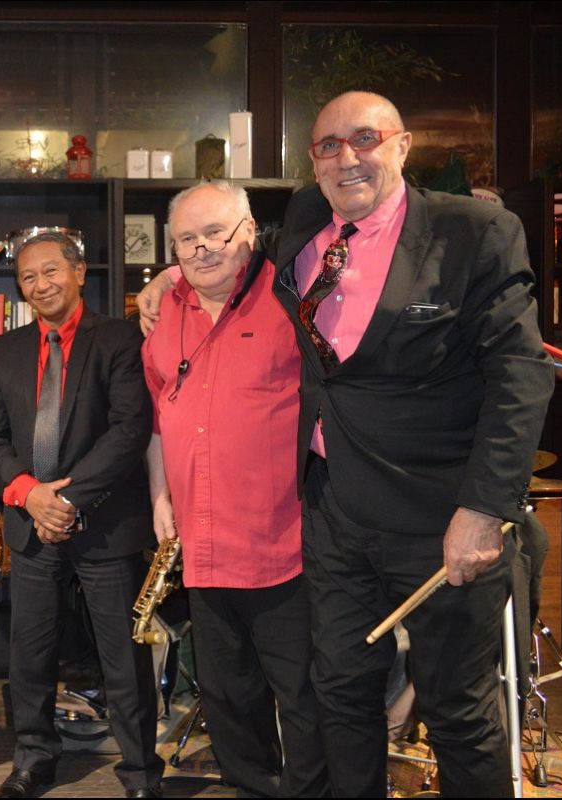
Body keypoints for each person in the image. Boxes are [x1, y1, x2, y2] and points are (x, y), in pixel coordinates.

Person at [142, 91, 552, 796]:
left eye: (365, 138)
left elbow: (520, 374)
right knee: (339, 695)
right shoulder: (308, 220)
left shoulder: (474, 231)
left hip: (437, 515)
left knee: (457, 708)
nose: (347, 157)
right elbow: (227, 249)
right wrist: (170, 275)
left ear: (402, 145)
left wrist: (485, 508)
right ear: (314, 163)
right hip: (334, 515)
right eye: (328, 146)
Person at [142, 181, 328, 797]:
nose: (201, 249)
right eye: (186, 240)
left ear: (250, 232)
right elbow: (158, 413)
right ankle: (253, 787)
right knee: (227, 693)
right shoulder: (164, 310)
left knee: (302, 692)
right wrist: (160, 495)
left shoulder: (292, 294)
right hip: (202, 542)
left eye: (214, 233)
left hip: (285, 541)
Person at [0, 231, 164, 799]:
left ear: (79, 272)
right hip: (31, 526)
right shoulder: (5, 349)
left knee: (123, 656)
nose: (40, 285)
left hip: (105, 524)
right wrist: (28, 493)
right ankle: (33, 760)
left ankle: (140, 773)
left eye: (51, 271)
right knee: (30, 653)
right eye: (28, 277)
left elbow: (130, 428)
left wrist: (66, 500)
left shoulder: (119, 338)